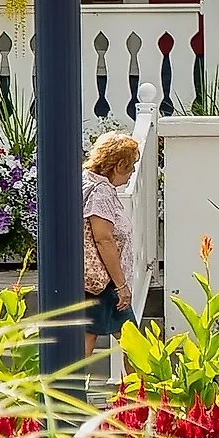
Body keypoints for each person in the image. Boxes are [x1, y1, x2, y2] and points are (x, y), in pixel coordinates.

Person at [80, 131, 141, 366]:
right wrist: (121, 285)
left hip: (93, 279)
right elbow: (103, 238)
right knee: (133, 342)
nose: (133, 171)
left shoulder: (87, 181)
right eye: (131, 165)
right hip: (105, 280)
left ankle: (69, 395)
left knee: (89, 337)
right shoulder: (101, 192)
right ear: (118, 165)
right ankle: (139, 397)